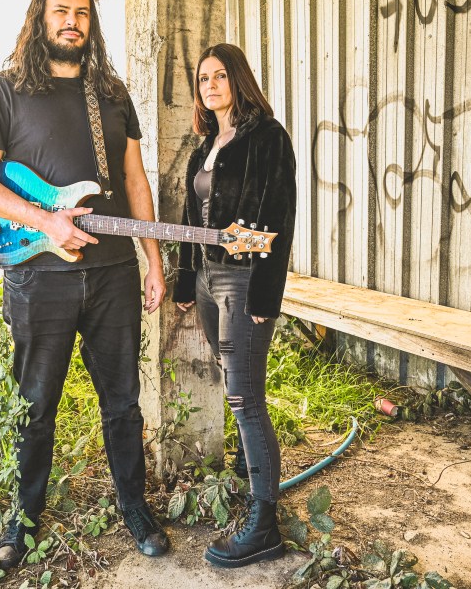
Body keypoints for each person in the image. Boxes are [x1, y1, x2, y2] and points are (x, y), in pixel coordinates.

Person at [0, 0, 169, 569]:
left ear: (91, 23)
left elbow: (135, 181)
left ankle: (134, 506)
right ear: (41, 18)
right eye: (61, 11)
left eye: (81, 12)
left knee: (123, 402)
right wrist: (47, 222)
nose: (72, 22)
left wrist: (153, 262)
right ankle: (23, 521)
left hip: (113, 273)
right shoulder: (8, 91)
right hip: (38, 277)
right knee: (35, 406)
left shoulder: (112, 94)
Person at [171, 43, 297, 568]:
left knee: (245, 396)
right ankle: (252, 481)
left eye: (220, 76)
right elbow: (188, 216)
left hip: (244, 280)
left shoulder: (268, 138)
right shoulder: (204, 145)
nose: (210, 86)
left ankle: (264, 525)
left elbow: (279, 217)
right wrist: (185, 281)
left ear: (238, 80)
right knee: (232, 380)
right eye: (203, 79)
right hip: (205, 276)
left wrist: (267, 293)